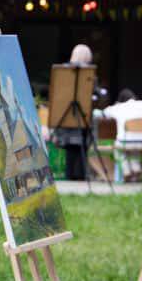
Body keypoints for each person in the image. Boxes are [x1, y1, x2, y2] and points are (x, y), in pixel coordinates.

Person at [57, 43, 95, 180]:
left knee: (70, 148)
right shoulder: (88, 73)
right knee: (81, 146)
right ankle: (80, 175)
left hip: (65, 116)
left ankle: (70, 175)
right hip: (82, 114)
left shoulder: (62, 72)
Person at [103, 88, 142, 180]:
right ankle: (136, 168)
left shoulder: (118, 107)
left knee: (119, 149)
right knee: (134, 149)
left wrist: (116, 104)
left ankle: (126, 170)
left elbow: (105, 112)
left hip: (125, 141)